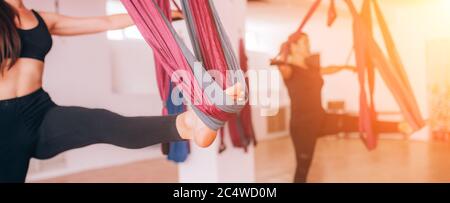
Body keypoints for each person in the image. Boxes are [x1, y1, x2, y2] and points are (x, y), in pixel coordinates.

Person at [0, 0, 241, 183]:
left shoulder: (41, 19)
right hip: (4, 123)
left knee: (102, 122)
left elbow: (105, 23)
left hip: (40, 112)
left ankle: (188, 125)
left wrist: (159, 17)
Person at [271, 32, 408, 183]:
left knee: (358, 123)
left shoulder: (311, 68)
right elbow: (280, 65)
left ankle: (399, 126)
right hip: (303, 127)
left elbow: (329, 69)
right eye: (305, 42)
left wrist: (346, 67)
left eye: (308, 42)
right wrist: (283, 56)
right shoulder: (288, 69)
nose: (309, 46)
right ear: (294, 47)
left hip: (321, 119)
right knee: (303, 169)